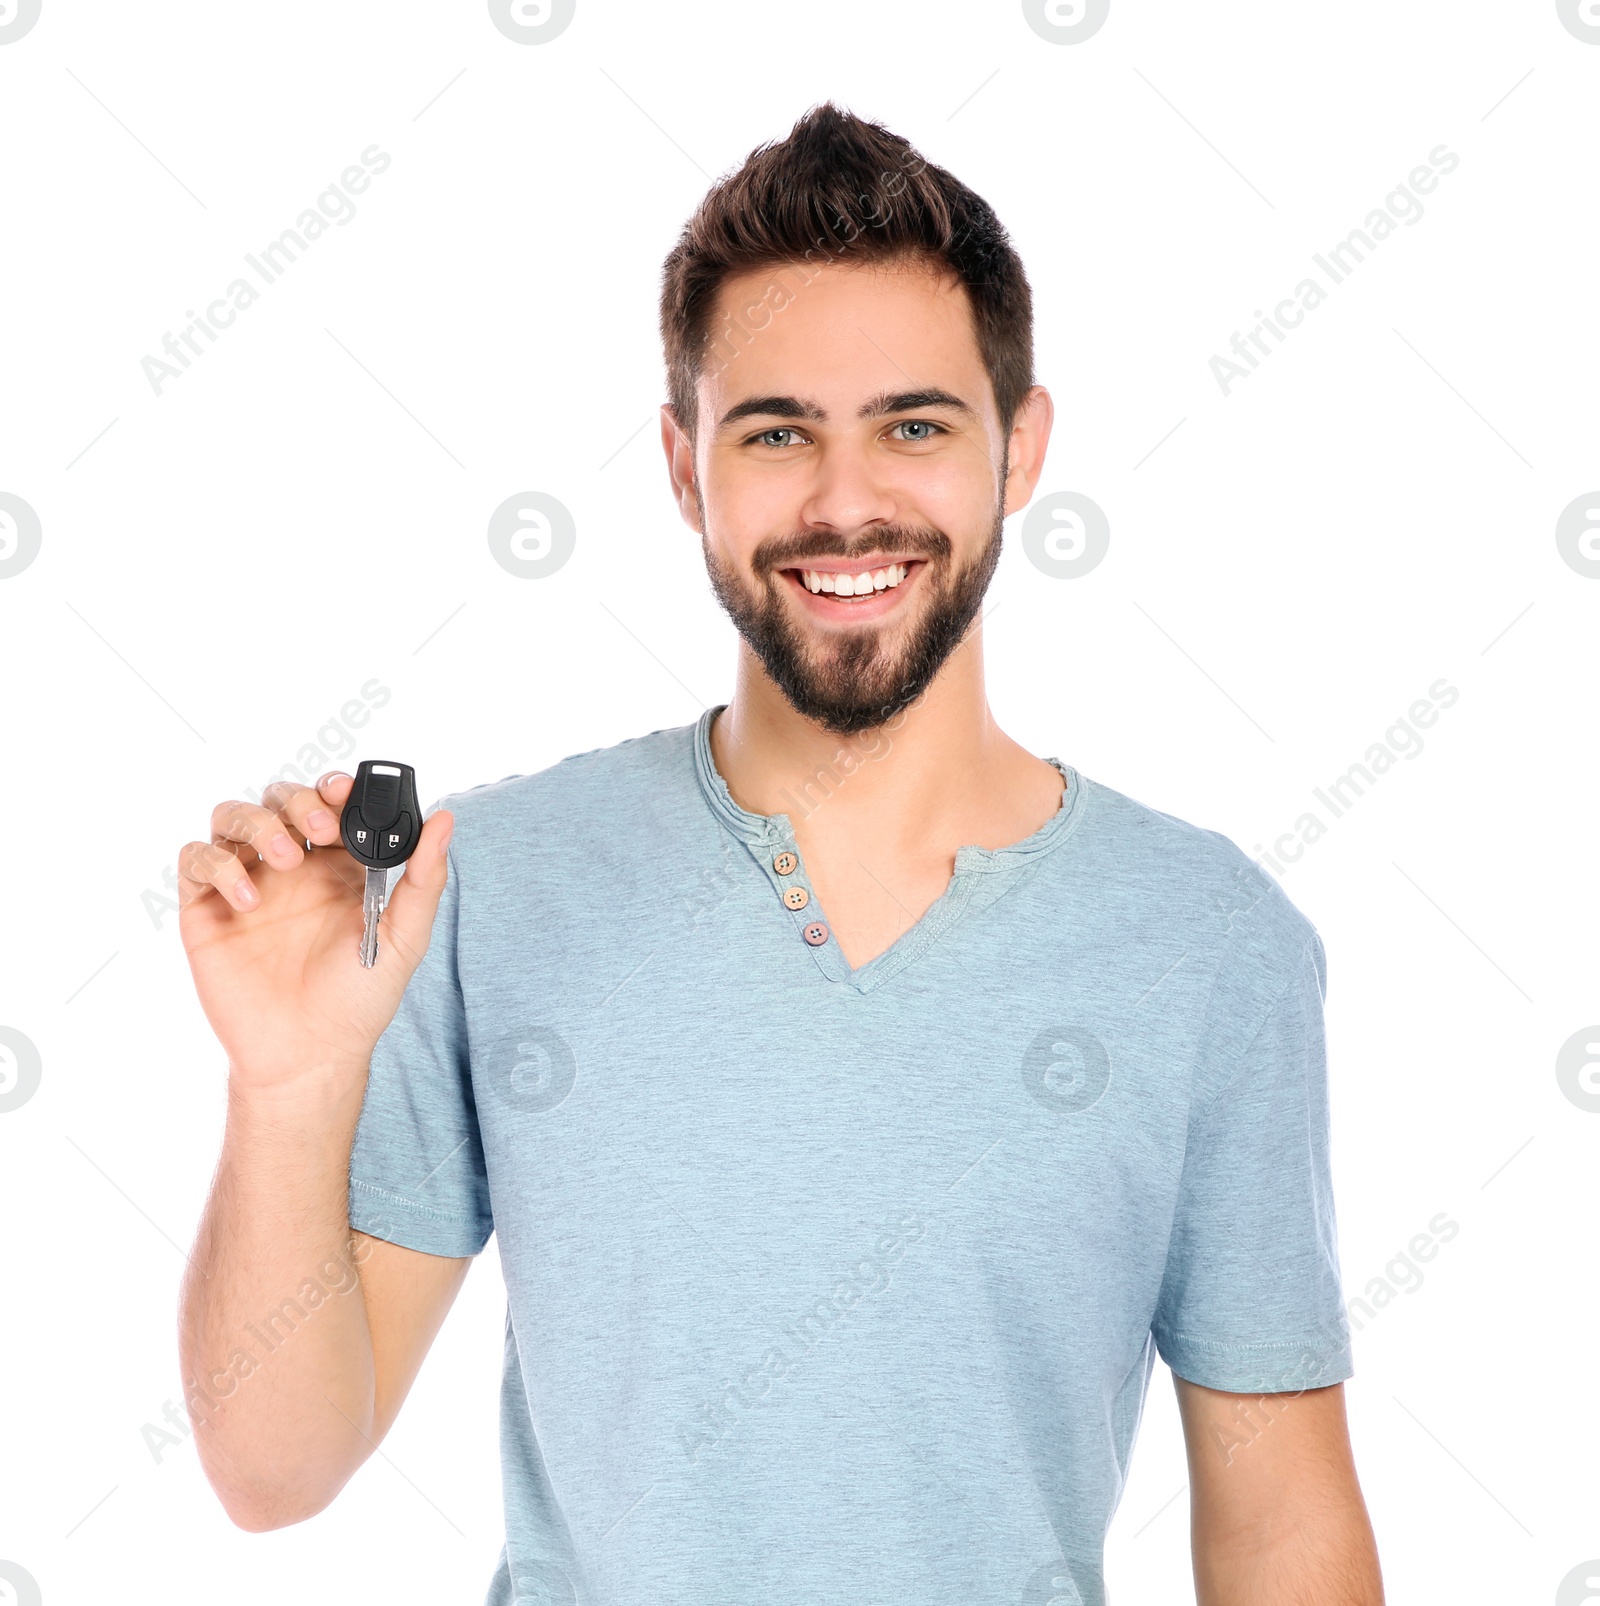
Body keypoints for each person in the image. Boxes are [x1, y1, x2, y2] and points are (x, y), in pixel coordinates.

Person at [176, 102, 1383, 1606]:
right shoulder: (477, 889)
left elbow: (1281, 1532)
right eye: (777, 431)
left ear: (1022, 449)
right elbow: (273, 1471)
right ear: (686, 469)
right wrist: (287, 1089)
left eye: (915, 425)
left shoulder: (1209, 943)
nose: (845, 501)